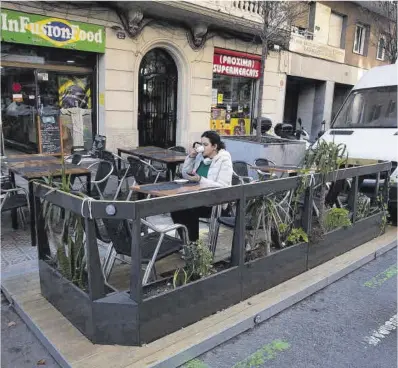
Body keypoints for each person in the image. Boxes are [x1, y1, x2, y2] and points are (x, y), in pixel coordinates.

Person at [171, 130, 233, 242]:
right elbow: (186, 174)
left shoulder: (224, 159)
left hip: (215, 203)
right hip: (197, 197)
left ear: (214, 146)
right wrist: (190, 157)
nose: (202, 147)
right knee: (175, 208)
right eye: (201, 144)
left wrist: (201, 179)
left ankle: (194, 247)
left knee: (189, 209)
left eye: (205, 145)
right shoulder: (200, 157)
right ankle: (186, 242)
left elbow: (223, 186)